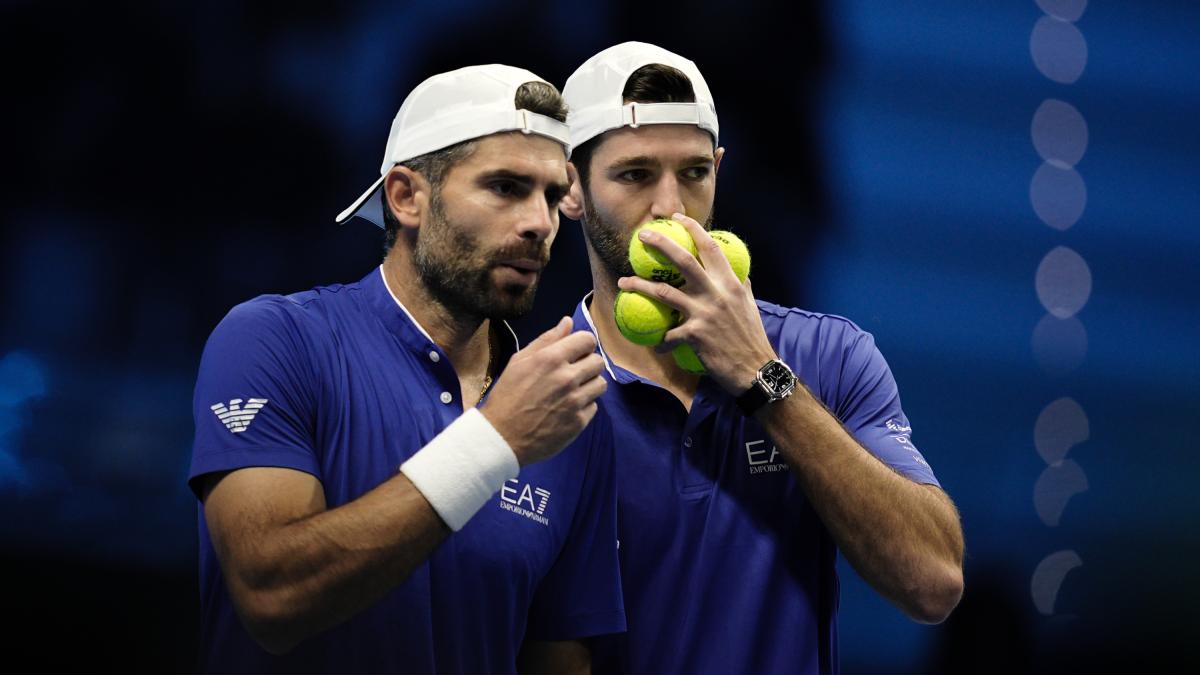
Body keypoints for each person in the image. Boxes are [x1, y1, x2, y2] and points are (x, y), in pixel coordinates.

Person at [188, 64, 625, 674]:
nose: (540, 223)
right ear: (405, 196)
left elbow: (560, 662)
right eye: (505, 187)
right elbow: (271, 596)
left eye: (553, 196)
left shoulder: (568, 412)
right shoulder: (273, 339)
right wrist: (494, 441)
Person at [557, 42, 965, 673]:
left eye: (694, 173)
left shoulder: (829, 356)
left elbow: (933, 582)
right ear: (571, 189)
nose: (671, 207)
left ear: (719, 168)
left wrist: (760, 377)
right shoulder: (534, 392)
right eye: (635, 174)